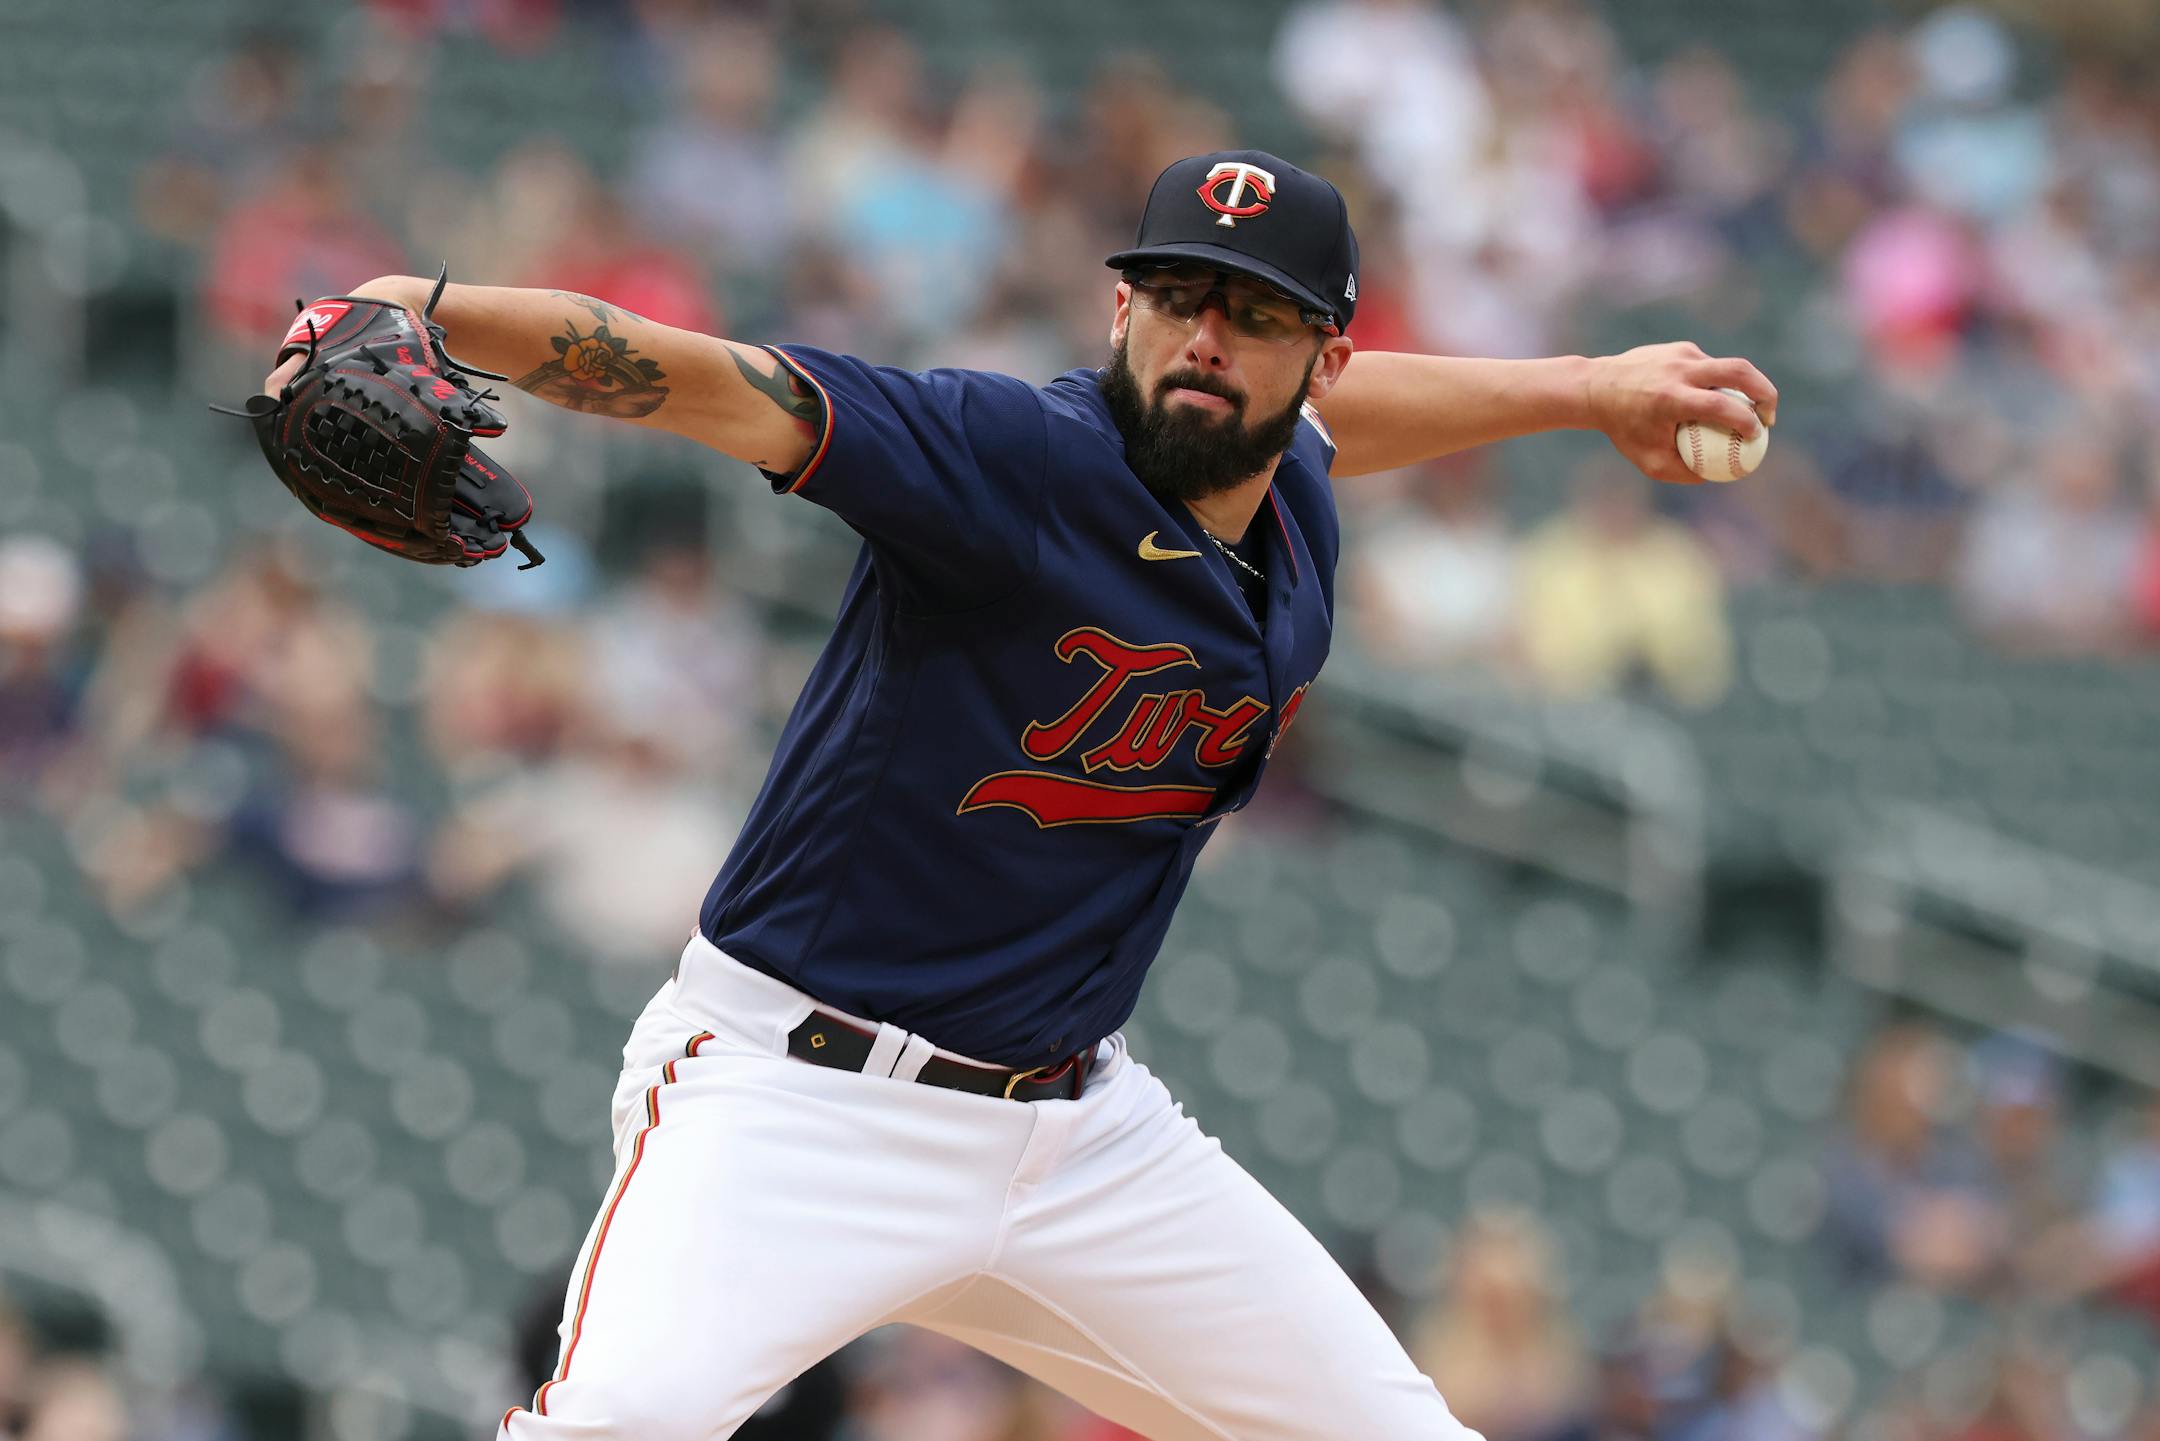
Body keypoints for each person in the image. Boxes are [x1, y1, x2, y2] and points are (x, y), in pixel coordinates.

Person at [262, 148, 1774, 1441]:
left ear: (1320, 354)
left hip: (1077, 1135)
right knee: (624, 1426)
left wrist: (1587, 388)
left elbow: (1338, 430)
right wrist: (424, 308)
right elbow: (716, 380)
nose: (1205, 336)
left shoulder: (1293, 489)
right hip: (799, 1099)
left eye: (1253, 314)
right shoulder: (1007, 459)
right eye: (1178, 295)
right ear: (1121, 308)